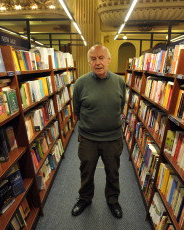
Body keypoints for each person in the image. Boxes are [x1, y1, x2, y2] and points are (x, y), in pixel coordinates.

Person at [71, 44, 126, 219]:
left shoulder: (119, 82)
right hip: (88, 139)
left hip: (113, 138)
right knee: (86, 171)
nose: (98, 62)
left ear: (109, 60)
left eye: (101, 58)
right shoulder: (80, 83)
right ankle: (85, 198)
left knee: (113, 171)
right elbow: (77, 110)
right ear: (89, 62)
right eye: (93, 59)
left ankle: (112, 200)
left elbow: (121, 106)